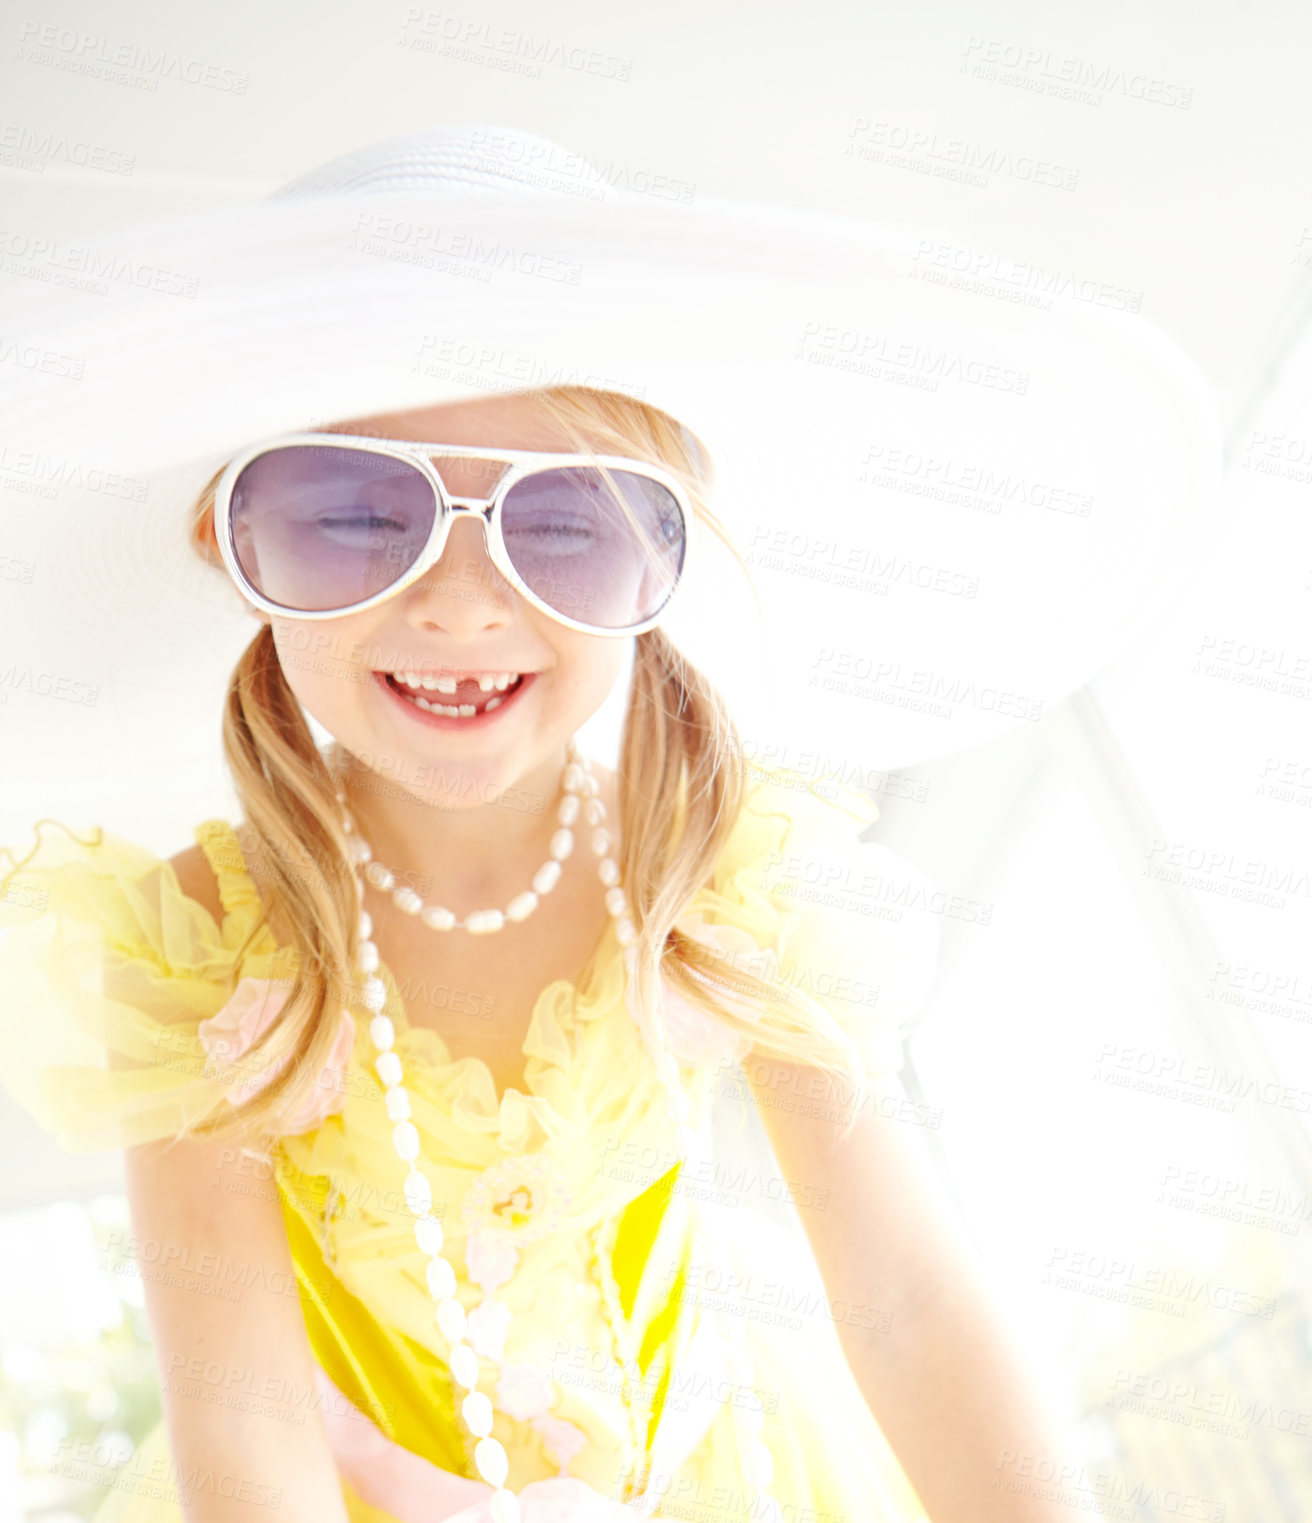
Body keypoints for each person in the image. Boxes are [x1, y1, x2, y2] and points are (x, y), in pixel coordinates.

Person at [0, 125, 1219, 1523]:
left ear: (666, 555)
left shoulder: (727, 875)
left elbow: (903, 1295)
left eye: (563, 523)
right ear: (235, 542)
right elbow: (242, 1405)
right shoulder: (205, 946)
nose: (459, 605)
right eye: (353, 513)